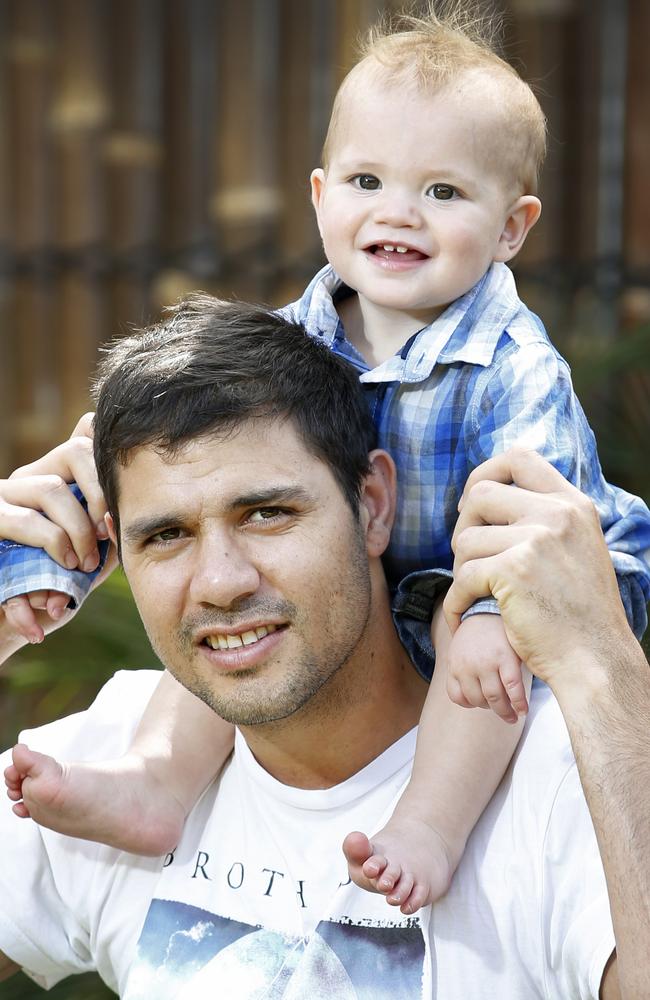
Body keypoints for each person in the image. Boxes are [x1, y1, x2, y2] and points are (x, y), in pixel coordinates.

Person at [2, 4, 650, 914]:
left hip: (489, 585)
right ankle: (156, 781)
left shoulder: (515, 368)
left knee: (481, 648)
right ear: (319, 197)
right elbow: (130, 471)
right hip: (357, 599)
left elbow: (539, 539)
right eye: (368, 179)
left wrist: (509, 621)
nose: (398, 213)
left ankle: (429, 825)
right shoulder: (287, 341)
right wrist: (29, 578)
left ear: (512, 227)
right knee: (224, 615)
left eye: (444, 193)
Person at [0, 298, 648, 998]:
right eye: (166, 535)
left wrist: (598, 664)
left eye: (267, 513)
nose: (220, 582)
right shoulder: (106, 765)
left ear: (372, 504)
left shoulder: (571, 774)